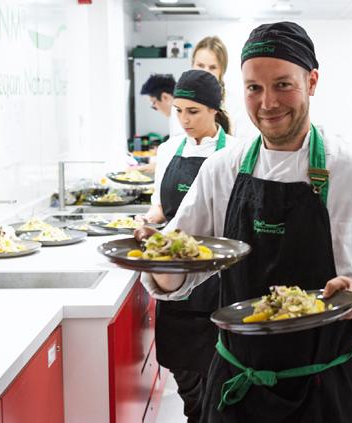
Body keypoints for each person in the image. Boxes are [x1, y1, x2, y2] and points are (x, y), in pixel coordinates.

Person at [139, 22, 352, 422]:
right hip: (237, 386)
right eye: (254, 87)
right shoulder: (222, 171)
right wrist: (156, 257)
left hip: (325, 389)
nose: (268, 102)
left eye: (283, 85)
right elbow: (179, 277)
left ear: (312, 81)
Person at [140, 69, 238, 423]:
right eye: (179, 111)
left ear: (215, 110)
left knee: (216, 369)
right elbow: (160, 206)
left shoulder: (236, 152)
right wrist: (146, 223)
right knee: (181, 365)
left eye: (193, 111)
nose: (184, 120)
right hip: (175, 272)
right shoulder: (168, 151)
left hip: (218, 275)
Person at [191, 36, 232, 134]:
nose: (205, 73)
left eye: (212, 67)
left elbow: (244, 142)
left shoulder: (234, 105)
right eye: (200, 65)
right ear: (192, 65)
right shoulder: (179, 104)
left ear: (222, 71)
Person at [140, 73, 184, 139]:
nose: (154, 108)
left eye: (154, 102)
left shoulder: (179, 117)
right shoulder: (176, 113)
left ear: (165, 97)